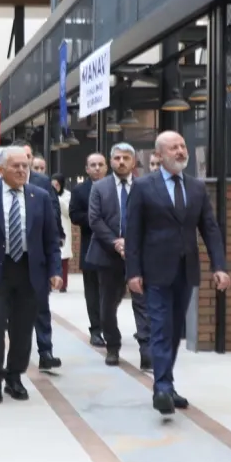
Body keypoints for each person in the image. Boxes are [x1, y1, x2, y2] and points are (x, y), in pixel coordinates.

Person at [125, 131, 231, 415]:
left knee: (173, 332)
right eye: (174, 148)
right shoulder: (143, 187)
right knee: (160, 328)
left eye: (183, 146)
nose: (181, 151)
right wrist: (133, 272)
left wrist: (219, 266)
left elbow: (210, 229)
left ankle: (167, 385)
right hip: (155, 271)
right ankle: (161, 388)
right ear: (159, 155)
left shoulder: (196, 188)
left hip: (186, 271)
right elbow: (133, 232)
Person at [0, 146, 61, 404]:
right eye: (15, 166)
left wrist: (55, 270)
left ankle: (14, 376)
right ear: (1, 169)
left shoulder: (40, 197)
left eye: (25, 166)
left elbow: (51, 239)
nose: (21, 170)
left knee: (22, 328)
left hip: (30, 272)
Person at [88, 143, 152, 369]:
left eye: (126, 158)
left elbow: (152, 219)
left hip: (139, 256)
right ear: (111, 161)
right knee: (108, 305)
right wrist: (116, 242)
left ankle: (147, 351)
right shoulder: (100, 187)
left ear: (133, 162)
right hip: (108, 255)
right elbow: (95, 219)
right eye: (117, 158)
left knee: (142, 303)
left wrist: (133, 244)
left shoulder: (145, 186)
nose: (121, 162)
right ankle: (113, 347)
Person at [19, 144, 63, 370]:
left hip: (37, 254)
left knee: (41, 307)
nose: (24, 161)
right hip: (12, 256)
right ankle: (18, 354)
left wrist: (58, 236)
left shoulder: (42, 183)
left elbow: (53, 212)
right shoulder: (1, 183)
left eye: (28, 156)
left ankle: (46, 351)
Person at [67, 153, 108, 347]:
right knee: (92, 291)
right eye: (93, 165)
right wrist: (95, 219)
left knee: (111, 292)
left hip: (112, 248)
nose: (97, 168)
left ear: (106, 167)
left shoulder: (113, 187)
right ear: (87, 169)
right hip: (90, 246)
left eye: (100, 164)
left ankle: (109, 326)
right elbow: (75, 215)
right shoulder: (80, 191)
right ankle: (96, 330)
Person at [50, 173, 73, 292]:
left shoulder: (67, 195)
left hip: (63, 227)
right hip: (51, 227)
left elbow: (67, 211)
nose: (55, 187)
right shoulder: (47, 193)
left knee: (63, 258)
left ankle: (63, 285)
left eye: (57, 185)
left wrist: (56, 197)